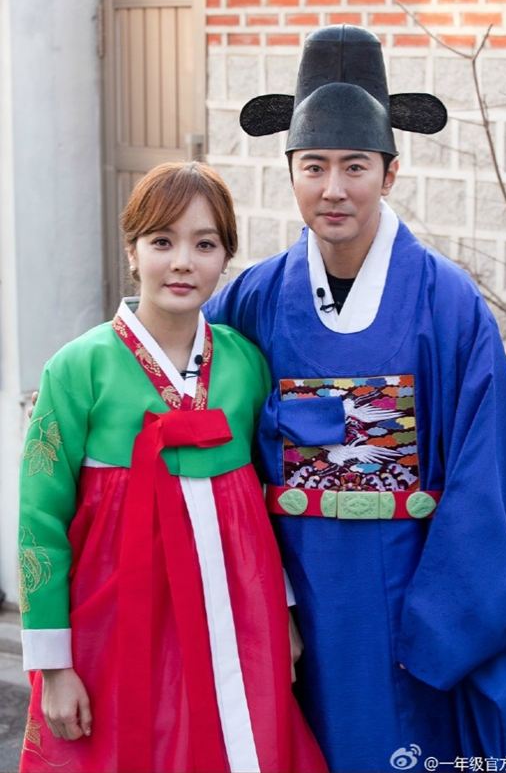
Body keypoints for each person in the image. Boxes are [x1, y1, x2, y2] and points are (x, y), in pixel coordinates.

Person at [204, 25, 506, 772]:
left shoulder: (447, 304)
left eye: (355, 165)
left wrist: (444, 626)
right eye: (314, 165)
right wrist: (258, 601)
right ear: (290, 173)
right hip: (287, 603)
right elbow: (208, 446)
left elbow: (485, 482)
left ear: (389, 174)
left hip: (410, 609)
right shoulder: (252, 300)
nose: (334, 188)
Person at [18, 162, 328, 773]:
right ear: (132, 250)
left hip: (236, 613)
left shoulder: (245, 364)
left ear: (226, 256)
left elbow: (263, 501)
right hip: (116, 621)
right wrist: (53, 665)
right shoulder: (78, 368)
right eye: (162, 241)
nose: (183, 262)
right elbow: (40, 521)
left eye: (205, 244)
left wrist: (283, 614)